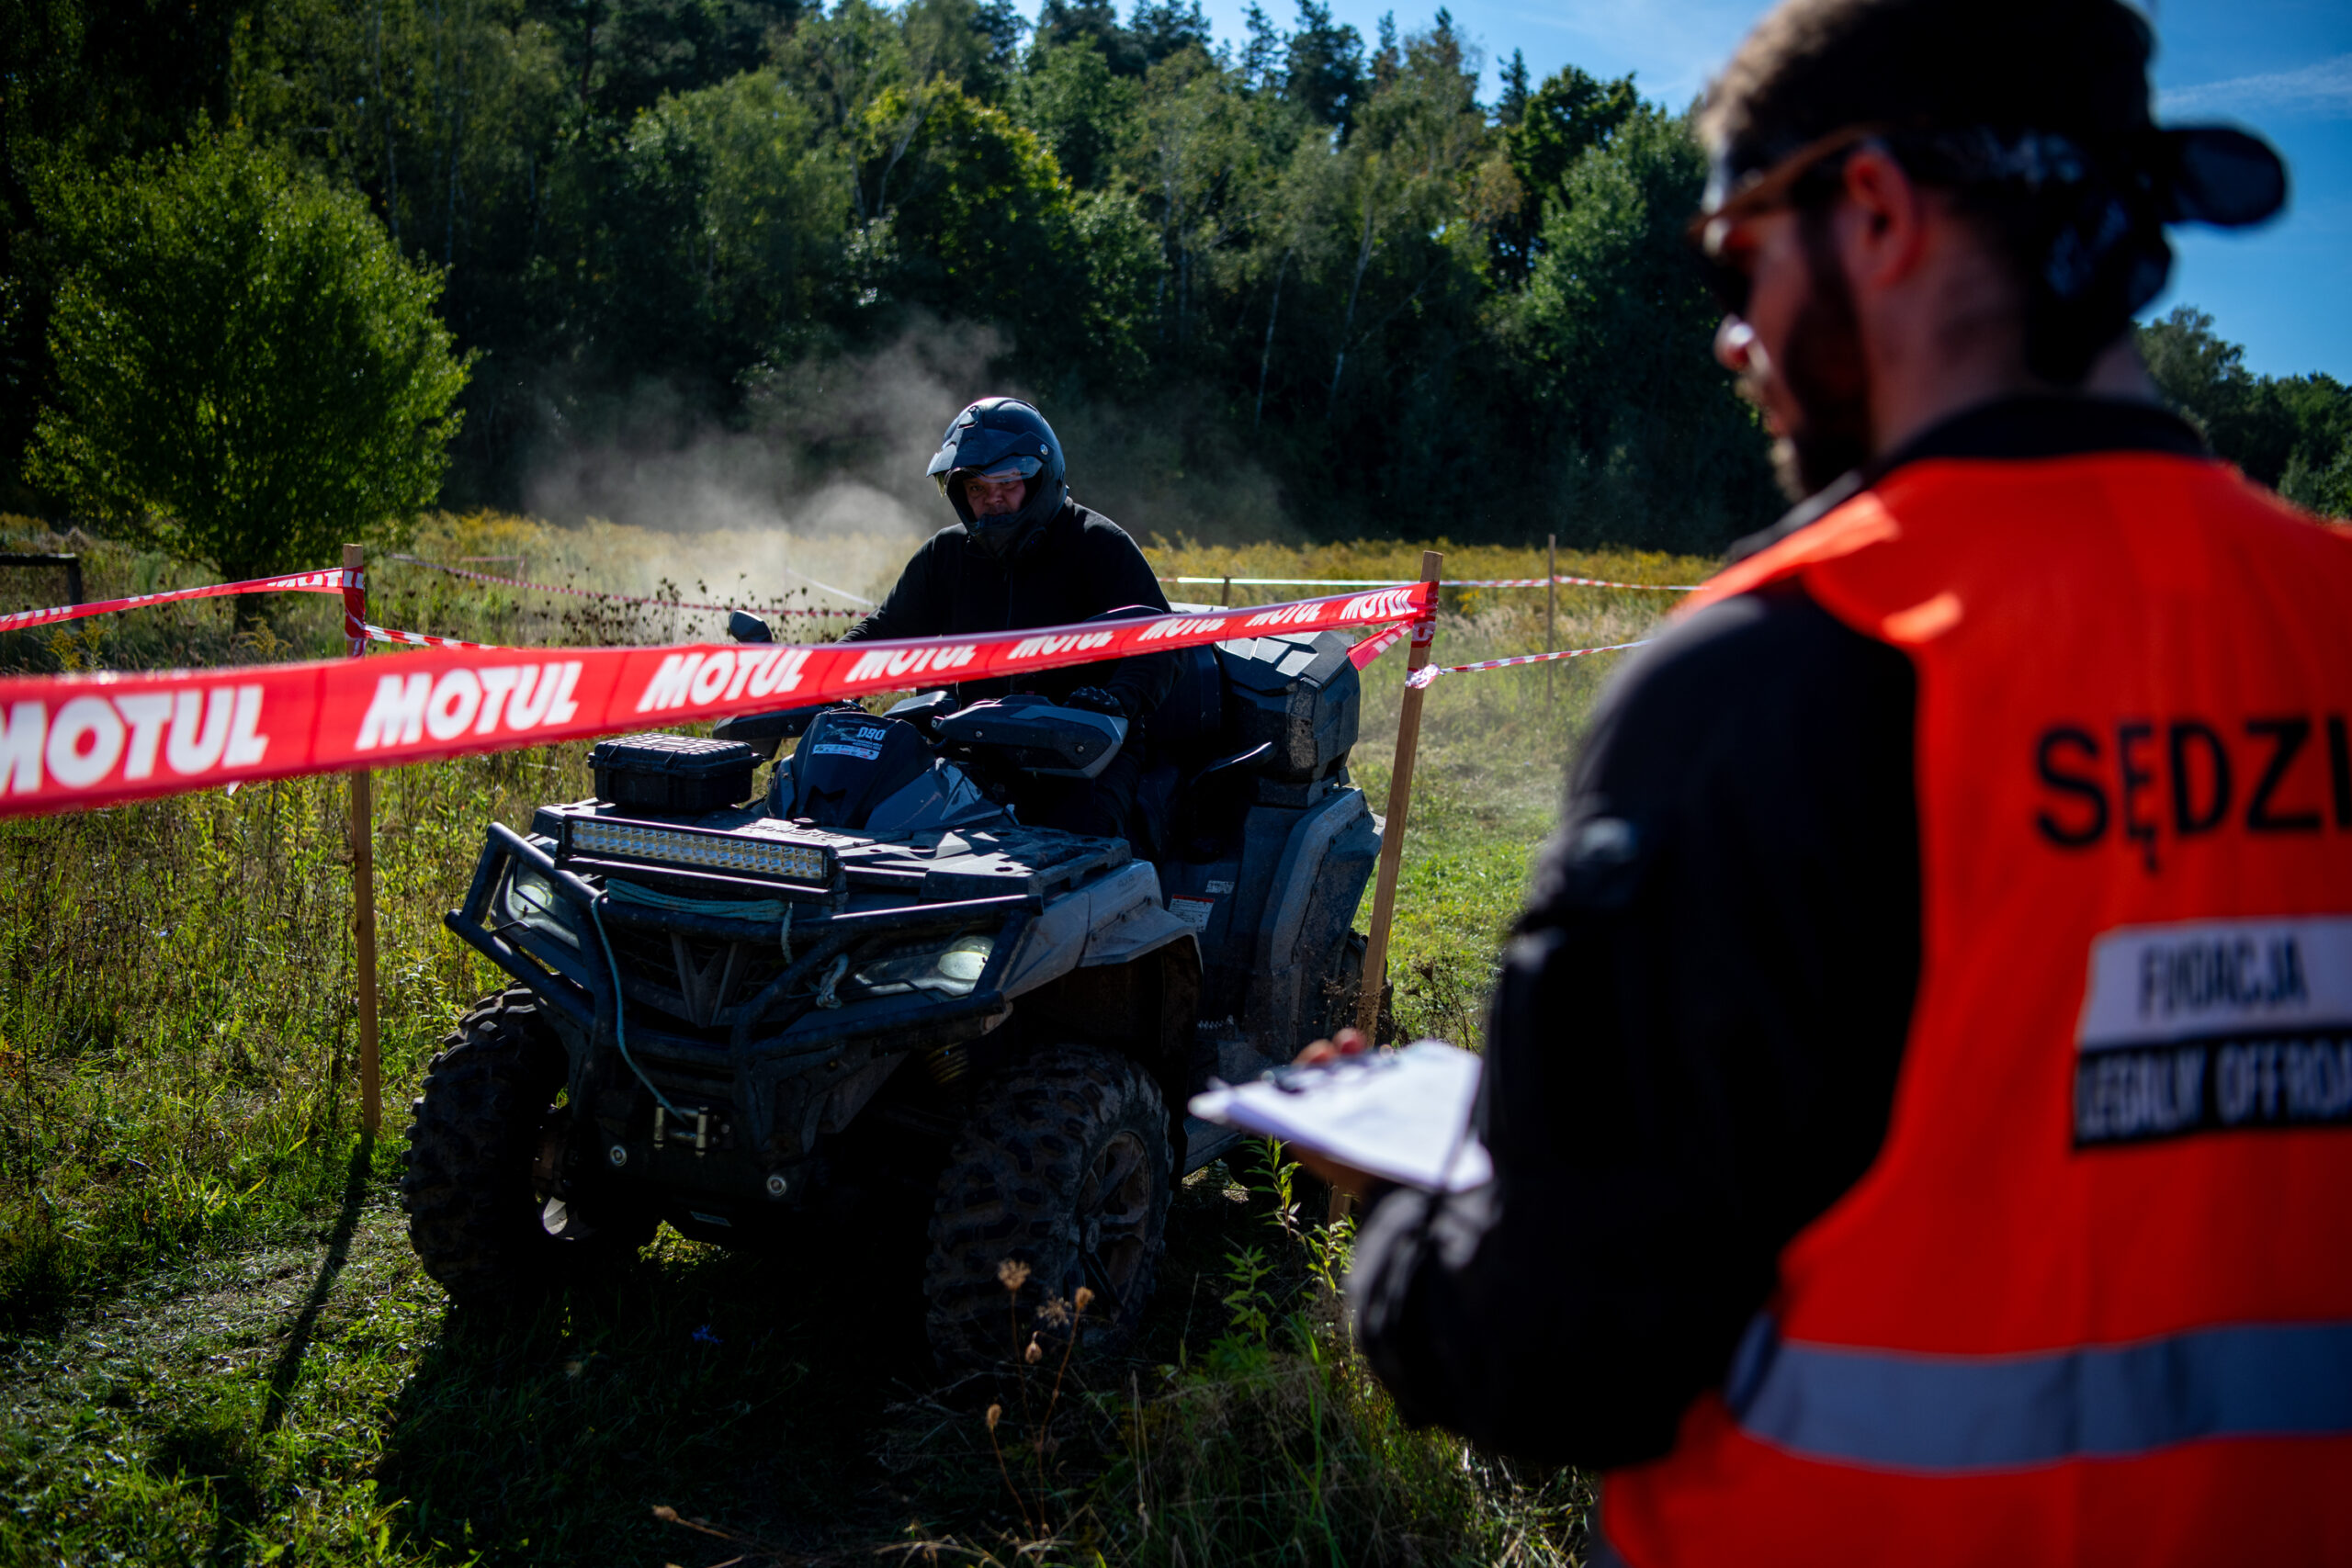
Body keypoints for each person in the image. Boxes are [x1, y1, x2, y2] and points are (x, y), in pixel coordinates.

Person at [1304, 1, 2352, 1562]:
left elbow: (1560, 1351)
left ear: (1874, 210)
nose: (1734, 339)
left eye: (1740, 260)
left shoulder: (1779, 670)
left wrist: (1395, 1217)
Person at [839, 396, 1176, 839]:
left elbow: (1160, 644)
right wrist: (821, 677)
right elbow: (884, 632)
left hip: (1082, 756)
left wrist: (1114, 700)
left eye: (1007, 483)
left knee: (1075, 857)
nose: (992, 500)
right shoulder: (945, 553)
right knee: (870, 831)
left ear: (1041, 480)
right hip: (963, 747)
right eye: (976, 488)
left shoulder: (1098, 544)